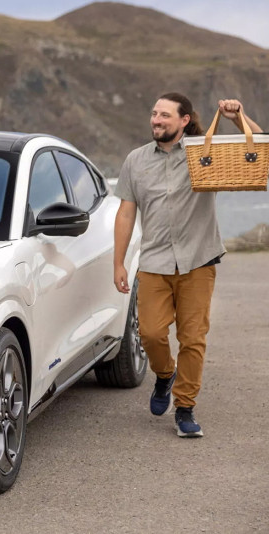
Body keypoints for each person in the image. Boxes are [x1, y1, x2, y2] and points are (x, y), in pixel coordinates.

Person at [112, 93, 262, 438]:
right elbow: (126, 213)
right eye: (154, 114)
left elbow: (256, 148)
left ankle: (185, 408)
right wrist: (118, 262)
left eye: (164, 115)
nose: (156, 120)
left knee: (193, 339)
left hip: (198, 260)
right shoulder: (135, 160)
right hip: (155, 261)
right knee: (150, 334)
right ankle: (165, 374)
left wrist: (237, 117)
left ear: (184, 120)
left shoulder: (204, 152)